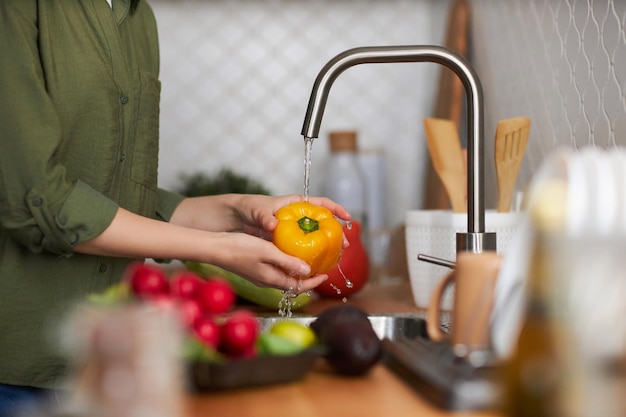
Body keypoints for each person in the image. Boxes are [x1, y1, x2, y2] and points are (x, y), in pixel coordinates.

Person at [0, 0, 351, 415]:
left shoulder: (138, 17)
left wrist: (237, 211)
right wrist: (220, 249)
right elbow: (35, 199)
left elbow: (123, 201)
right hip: (17, 367)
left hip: (111, 361)